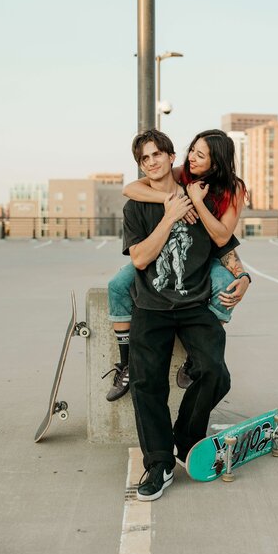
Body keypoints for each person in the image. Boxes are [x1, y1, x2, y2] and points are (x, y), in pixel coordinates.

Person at [123, 128, 249, 501]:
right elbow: (141, 258)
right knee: (146, 384)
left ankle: (186, 440)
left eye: (157, 154)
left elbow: (223, 246)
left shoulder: (201, 195)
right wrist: (169, 214)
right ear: (141, 165)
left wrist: (244, 276)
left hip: (195, 305)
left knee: (215, 373)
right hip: (151, 307)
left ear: (171, 156)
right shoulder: (136, 206)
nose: (152, 162)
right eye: (144, 159)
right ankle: (159, 464)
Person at [104, 129, 250, 401]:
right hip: (169, 252)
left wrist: (243, 275)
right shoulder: (184, 174)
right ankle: (125, 363)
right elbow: (131, 188)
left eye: (200, 154)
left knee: (225, 287)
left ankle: (198, 357)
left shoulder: (233, 189)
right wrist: (174, 201)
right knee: (118, 285)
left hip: (208, 254)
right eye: (192, 149)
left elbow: (222, 239)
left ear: (215, 162)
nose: (191, 157)